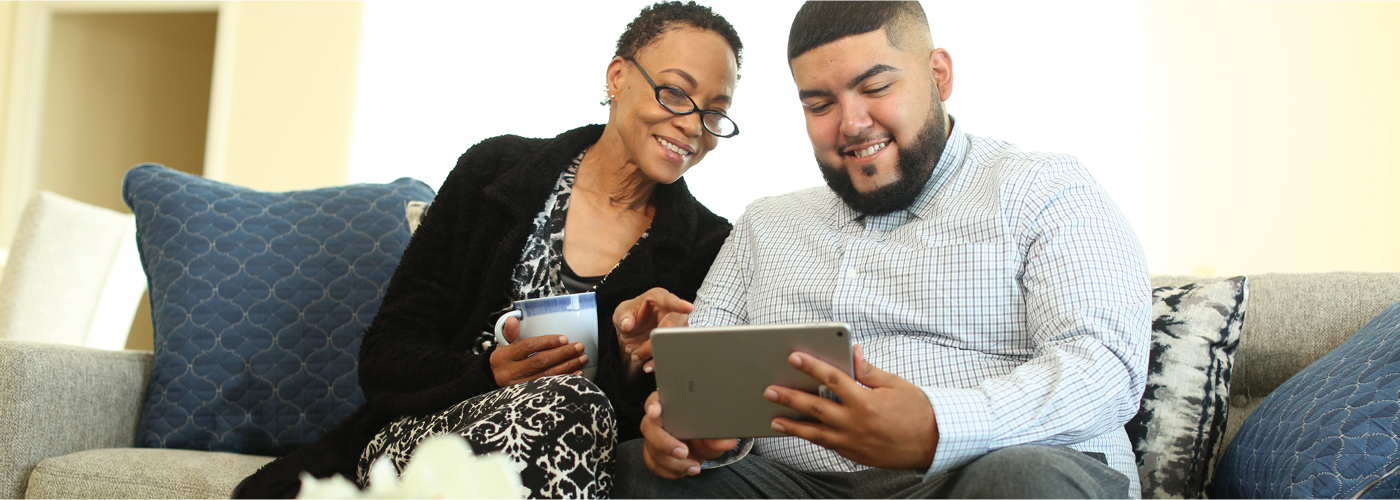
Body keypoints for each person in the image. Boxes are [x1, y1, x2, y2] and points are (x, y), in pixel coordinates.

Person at [610, 0, 1152, 499]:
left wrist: (936, 426)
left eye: (874, 88)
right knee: (639, 470)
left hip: (972, 475)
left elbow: (1105, 368)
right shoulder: (764, 223)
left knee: (1026, 483)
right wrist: (692, 435)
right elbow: (702, 381)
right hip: (797, 486)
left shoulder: (1044, 189)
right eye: (820, 103)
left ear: (938, 76)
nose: (850, 123)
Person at [233, 2, 741, 499]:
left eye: (716, 113)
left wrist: (633, 367)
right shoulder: (493, 171)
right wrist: (488, 372)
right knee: (574, 401)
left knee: (576, 404)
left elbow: (653, 434)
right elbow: (385, 355)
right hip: (432, 440)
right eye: (675, 92)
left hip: (580, 457)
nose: (694, 127)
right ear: (617, 78)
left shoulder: (705, 245)